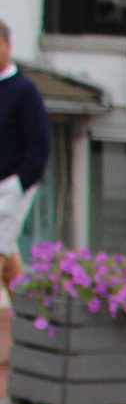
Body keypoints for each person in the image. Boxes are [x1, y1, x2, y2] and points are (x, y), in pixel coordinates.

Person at [0, 20, 49, 293]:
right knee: (8, 255)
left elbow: (39, 143)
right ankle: (30, 314)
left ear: (8, 47)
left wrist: (21, 183)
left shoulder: (24, 91)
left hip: (10, 185)